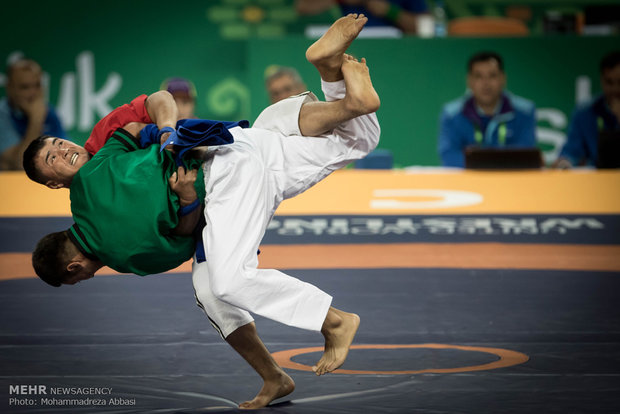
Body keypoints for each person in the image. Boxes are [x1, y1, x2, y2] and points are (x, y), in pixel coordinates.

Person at [27, 14, 380, 408]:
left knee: (228, 282)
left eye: (57, 144)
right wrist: (166, 144)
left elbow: (185, 232)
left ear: (74, 268)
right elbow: (134, 134)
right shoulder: (94, 168)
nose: (62, 152)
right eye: (52, 159)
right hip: (225, 143)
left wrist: (173, 157)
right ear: (53, 184)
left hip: (225, 180)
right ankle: (334, 79)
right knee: (212, 290)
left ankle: (333, 320)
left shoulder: (118, 245)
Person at [438, 51, 537, 168]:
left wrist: (478, 160)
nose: (486, 83)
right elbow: (449, 156)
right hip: (468, 181)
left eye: (492, 76)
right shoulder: (451, 114)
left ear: (503, 79)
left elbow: (525, 156)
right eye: (479, 76)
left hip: (510, 180)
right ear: (469, 81)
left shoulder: (525, 111)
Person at [554, 50, 620, 168]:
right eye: (609, 82)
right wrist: (565, 162)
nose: (615, 89)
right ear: (601, 80)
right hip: (596, 178)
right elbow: (571, 152)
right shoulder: (585, 112)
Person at [0, 58, 67, 170]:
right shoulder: (2, 115)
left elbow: (64, 156)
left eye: (37, 85)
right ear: (9, 88)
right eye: (25, 87)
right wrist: (36, 120)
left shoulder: (49, 111)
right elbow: (20, 165)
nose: (33, 93)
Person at [296, 0, 428, 35]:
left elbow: (426, 27)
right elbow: (303, 6)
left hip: (393, 49)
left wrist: (390, 11)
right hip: (350, 48)